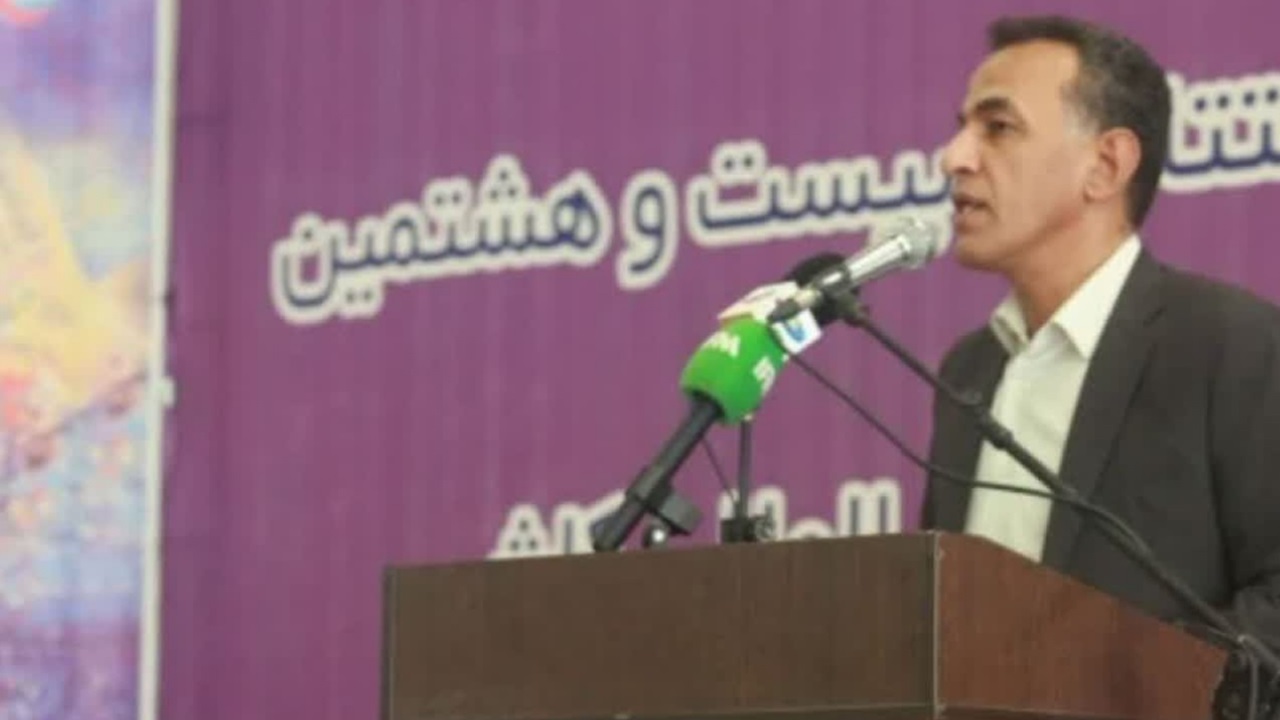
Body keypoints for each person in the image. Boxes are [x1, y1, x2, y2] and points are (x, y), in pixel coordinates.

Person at [920, 14, 1280, 652]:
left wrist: (1121, 682)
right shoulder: (969, 369)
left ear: (1106, 165)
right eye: (962, 128)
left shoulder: (1230, 345)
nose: (954, 158)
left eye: (998, 127)